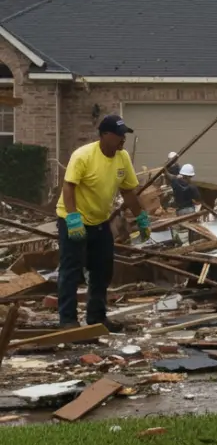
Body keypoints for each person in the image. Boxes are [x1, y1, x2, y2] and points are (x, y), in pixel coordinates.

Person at [56, 114, 151, 334]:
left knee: (102, 269)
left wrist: (141, 217)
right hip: (73, 218)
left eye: (124, 135)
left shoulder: (122, 157)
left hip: (99, 221)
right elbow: (68, 187)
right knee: (71, 269)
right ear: (105, 135)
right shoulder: (83, 156)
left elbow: (128, 191)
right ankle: (68, 320)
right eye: (119, 135)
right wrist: (72, 219)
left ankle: (96, 318)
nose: (122, 139)